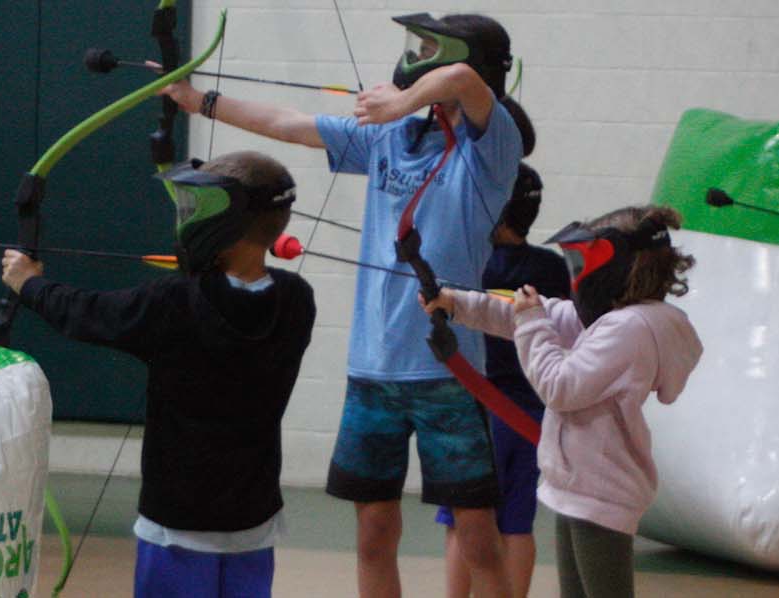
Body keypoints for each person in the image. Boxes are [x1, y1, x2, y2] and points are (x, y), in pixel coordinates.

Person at [161, 12, 525, 598]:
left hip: (446, 371)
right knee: (373, 533)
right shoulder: (389, 139)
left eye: (427, 45)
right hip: (372, 371)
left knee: (477, 533)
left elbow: (464, 80)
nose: (416, 53)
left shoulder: (492, 148)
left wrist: (400, 101)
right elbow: (287, 123)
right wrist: (197, 100)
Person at [0, 151, 316, 598]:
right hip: (254, 526)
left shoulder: (173, 302)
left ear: (223, 221)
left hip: (177, 527)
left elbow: (85, 313)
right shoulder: (297, 300)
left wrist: (27, 282)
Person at [423, 205, 704, 598]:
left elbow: (559, 386)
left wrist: (531, 321)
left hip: (602, 491)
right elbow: (539, 315)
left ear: (620, 265)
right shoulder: (614, 320)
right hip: (577, 486)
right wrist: (456, 302)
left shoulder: (630, 330)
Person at [434, 163, 567, 597]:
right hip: (531, 416)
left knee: (462, 521)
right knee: (516, 524)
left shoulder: (472, 262)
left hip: (478, 410)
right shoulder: (552, 268)